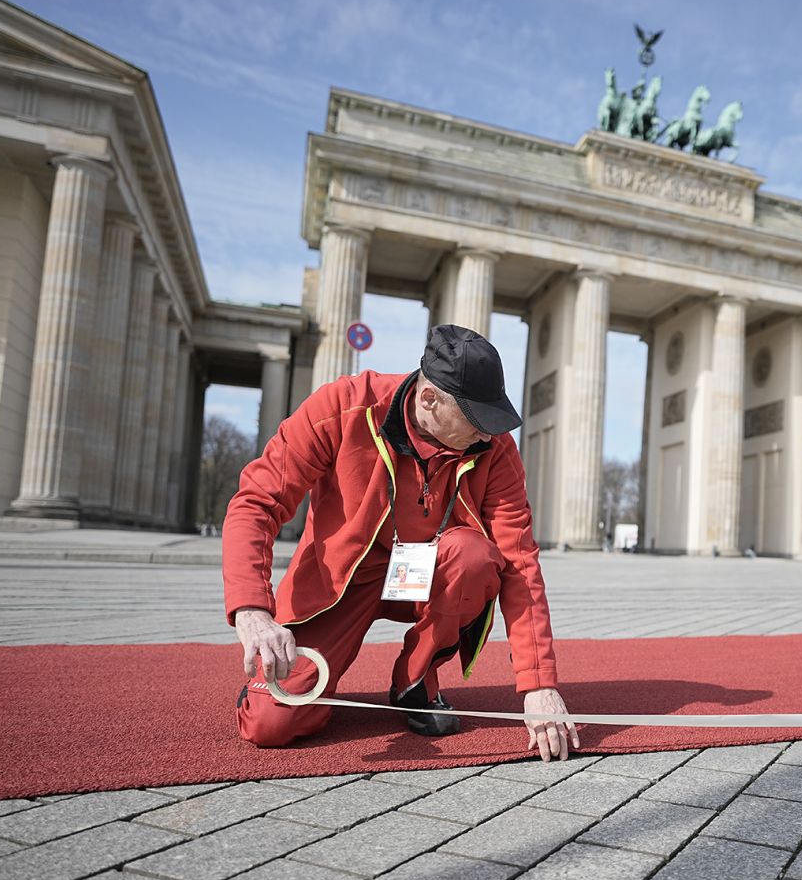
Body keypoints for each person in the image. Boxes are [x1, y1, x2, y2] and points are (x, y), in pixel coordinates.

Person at [222, 324, 580, 761]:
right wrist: (252, 609)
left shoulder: (496, 448)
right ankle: (268, 689)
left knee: (476, 557)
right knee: (272, 723)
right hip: (341, 581)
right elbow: (256, 502)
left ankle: (414, 681)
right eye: (478, 421)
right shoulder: (343, 405)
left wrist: (539, 684)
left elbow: (520, 561)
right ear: (429, 399)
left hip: (427, 573)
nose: (488, 436)